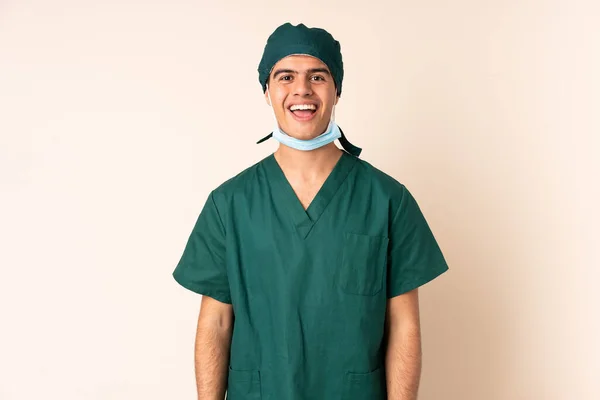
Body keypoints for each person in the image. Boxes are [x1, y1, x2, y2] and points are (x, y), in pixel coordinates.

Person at [172, 22, 449, 400]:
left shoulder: (387, 200)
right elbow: (216, 324)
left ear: (337, 90)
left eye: (317, 76)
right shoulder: (230, 204)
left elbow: (403, 325)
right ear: (267, 91)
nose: (302, 89)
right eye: (285, 76)